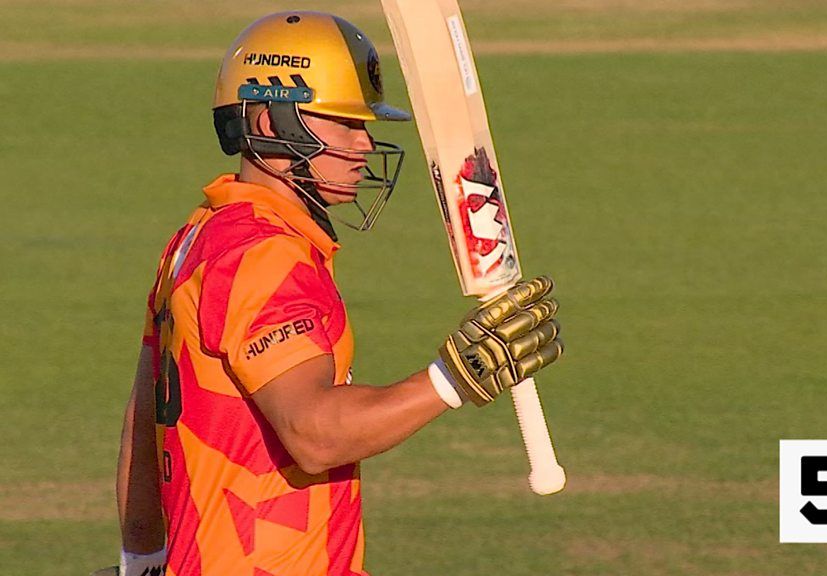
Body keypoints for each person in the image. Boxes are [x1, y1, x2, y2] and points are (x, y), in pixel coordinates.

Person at [113, 11, 563, 576]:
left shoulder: (199, 237)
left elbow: (144, 430)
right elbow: (314, 435)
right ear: (271, 122)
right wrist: (453, 379)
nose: (364, 143)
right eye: (344, 123)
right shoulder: (264, 255)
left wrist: (141, 563)